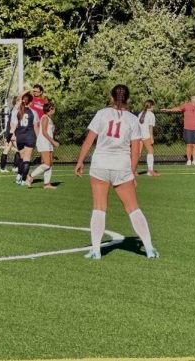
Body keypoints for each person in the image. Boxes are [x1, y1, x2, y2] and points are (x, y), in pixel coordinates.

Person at [74, 84, 158, 260]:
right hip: (121, 165)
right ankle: (149, 248)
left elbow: (89, 140)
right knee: (133, 209)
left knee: (99, 207)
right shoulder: (132, 119)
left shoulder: (101, 114)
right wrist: (133, 172)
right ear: (128, 99)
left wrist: (80, 161)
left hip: (100, 164)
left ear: (112, 97)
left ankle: (96, 250)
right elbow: (135, 150)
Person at [27, 101, 58, 189]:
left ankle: (47, 184)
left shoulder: (49, 118)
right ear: (50, 109)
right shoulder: (45, 117)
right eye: (53, 107)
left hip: (48, 143)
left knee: (50, 164)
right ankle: (30, 176)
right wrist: (53, 141)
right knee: (47, 164)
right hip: (44, 142)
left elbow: (49, 131)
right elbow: (44, 132)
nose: (54, 109)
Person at [10, 98, 37, 186]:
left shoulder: (17, 111)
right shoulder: (33, 112)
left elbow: (13, 126)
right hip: (29, 136)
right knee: (27, 159)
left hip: (20, 137)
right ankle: (23, 180)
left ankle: (18, 176)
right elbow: (36, 128)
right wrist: (39, 139)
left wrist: (11, 136)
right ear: (30, 102)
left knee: (22, 158)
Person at [0, 91, 25, 172]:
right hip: (12, 132)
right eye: (20, 100)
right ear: (17, 101)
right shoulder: (15, 111)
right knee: (20, 150)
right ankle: (15, 167)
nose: (22, 101)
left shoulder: (15, 109)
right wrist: (12, 135)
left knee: (7, 149)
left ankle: (2, 168)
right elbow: (12, 124)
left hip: (10, 132)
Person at [137, 99, 159, 176]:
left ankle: (133, 171)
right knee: (150, 152)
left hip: (139, 135)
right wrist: (151, 137)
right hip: (146, 136)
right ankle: (150, 171)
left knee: (138, 154)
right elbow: (150, 127)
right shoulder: (151, 115)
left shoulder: (140, 113)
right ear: (151, 106)